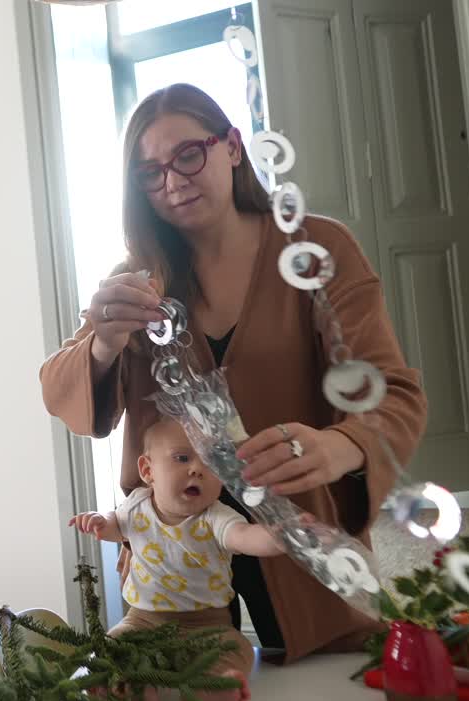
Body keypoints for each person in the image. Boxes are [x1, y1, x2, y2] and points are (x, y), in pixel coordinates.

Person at [40, 83, 427, 663]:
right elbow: (58, 389)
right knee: (182, 682)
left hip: (297, 536)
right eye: (150, 172)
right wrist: (104, 342)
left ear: (232, 147)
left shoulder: (316, 248)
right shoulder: (137, 280)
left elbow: (393, 395)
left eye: (188, 155)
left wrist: (337, 446)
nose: (172, 181)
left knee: (324, 683)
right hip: (174, 556)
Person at [71, 417, 309, 701]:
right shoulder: (136, 506)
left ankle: (211, 691)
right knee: (113, 645)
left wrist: (282, 536)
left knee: (237, 649)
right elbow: (115, 525)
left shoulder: (216, 517)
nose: (197, 469)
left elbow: (246, 537)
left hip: (207, 626)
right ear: (147, 470)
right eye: (182, 458)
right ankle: (131, 689)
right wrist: (99, 521)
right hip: (142, 621)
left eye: (210, 462)